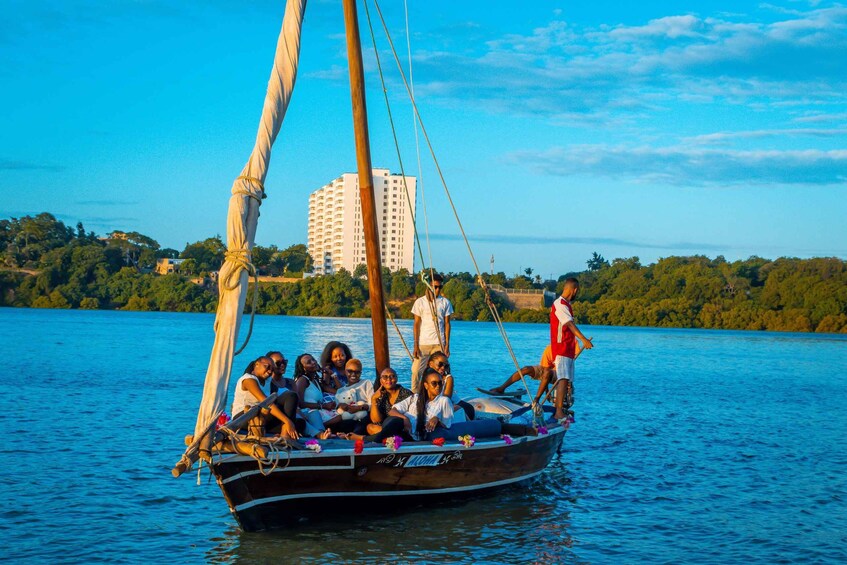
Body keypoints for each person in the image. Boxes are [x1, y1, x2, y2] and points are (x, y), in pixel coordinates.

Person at [347, 368, 453, 443]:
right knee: (394, 422)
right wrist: (405, 418)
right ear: (426, 385)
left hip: (414, 436)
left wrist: (437, 420)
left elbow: (447, 426)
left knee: (390, 427)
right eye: (434, 383)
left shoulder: (444, 401)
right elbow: (392, 411)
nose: (438, 386)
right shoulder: (415, 398)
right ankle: (364, 437)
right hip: (401, 428)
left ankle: (362, 438)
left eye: (440, 383)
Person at [551, 277, 594, 421]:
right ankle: (558, 412)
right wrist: (583, 339)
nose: (577, 293)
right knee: (562, 379)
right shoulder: (559, 304)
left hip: (568, 349)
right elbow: (569, 324)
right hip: (561, 348)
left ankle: (562, 409)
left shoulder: (567, 305)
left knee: (567, 380)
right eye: (578, 291)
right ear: (574, 290)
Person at [231, 356, 300, 440]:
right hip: (244, 417)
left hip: (262, 415)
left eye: (272, 369)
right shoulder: (248, 380)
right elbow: (266, 402)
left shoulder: (267, 380)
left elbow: (283, 394)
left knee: (300, 423)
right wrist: (287, 421)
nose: (270, 371)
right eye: (267, 367)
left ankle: (283, 432)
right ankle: (285, 436)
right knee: (289, 403)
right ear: (257, 364)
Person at [411, 272, 453, 391]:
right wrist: (415, 345)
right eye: (435, 287)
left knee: (441, 371)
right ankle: (415, 395)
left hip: (439, 343)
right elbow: (416, 324)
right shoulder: (420, 302)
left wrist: (447, 345)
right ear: (429, 286)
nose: (437, 289)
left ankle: (442, 394)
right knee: (416, 371)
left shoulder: (445, 302)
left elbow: (447, 324)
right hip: (423, 344)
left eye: (440, 287)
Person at [322, 358, 374, 434]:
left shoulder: (366, 383)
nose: (353, 374)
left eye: (357, 372)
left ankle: (354, 436)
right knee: (343, 424)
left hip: (363, 416)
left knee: (361, 424)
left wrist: (359, 408)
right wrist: (340, 406)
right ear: (345, 372)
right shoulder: (341, 390)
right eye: (350, 371)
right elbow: (337, 409)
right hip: (348, 418)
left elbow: (372, 405)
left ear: (361, 373)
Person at [293, 353, 337, 437]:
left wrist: (331, 374)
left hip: (320, 411)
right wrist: (322, 406)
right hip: (308, 412)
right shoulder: (302, 380)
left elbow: (338, 391)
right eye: (309, 362)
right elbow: (299, 403)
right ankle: (321, 434)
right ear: (303, 368)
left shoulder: (315, 380)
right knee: (341, 416)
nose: (313, 362)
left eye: (313, 359)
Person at [366, 367, 413, 436]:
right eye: (385, 377)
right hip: (385, 427)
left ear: (396, 379)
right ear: (381, 381)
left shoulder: (406, 393)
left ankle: (388, 437)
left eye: (392, 376)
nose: (389, 379)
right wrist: (373, 400)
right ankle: (391, 437)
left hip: (402, 426)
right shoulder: (380, 396)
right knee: (370, 427)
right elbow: (376, 420)